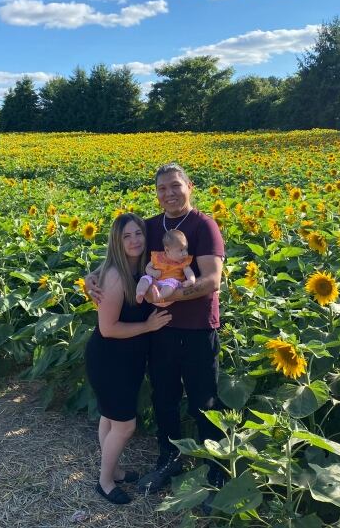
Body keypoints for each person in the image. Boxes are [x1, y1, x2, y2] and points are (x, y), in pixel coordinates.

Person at [87, 163, 226, 497]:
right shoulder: (151, 227)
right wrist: (92, 277)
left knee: (204, 400)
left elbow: (211, 279)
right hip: (159, 332)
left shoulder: (203, 226)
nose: (169, 193)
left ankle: (217, 469)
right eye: (162, 188)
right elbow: (122, 254)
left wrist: (171, 296)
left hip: (195, 328)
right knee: (164, 397)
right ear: (156, 193)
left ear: (189, 186)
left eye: (175, 186)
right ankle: (169, 457)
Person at [85, 213, 172, 505]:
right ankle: (105, 481)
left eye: (139, 234)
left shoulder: (142, 271)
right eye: (126, 236)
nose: (134, 240)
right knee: (125, 425)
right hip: (110, 360)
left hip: (127, 359)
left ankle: (116, 471)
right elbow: (108, 329)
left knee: (110, 417)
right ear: (116, 241)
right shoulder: (113, 276)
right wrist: (147, 326)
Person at [135, 229, 195, 303]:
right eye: (181, 250)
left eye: (186, 249)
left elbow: (189, 272)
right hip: (156, 282)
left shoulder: (183, 262)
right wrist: (153, 272)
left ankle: (159, 296)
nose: (185, 253)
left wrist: (191, 280)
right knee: (145, 278)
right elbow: (147, 268)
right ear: (167, 250)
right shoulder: (158, 257)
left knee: (171, 283)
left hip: (171, 286)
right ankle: (140, 292)